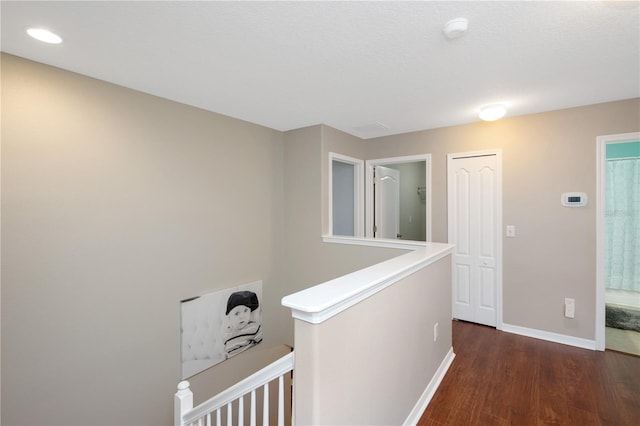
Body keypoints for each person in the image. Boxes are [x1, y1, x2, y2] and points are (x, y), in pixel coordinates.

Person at [223, 290, 262, 358]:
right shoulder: (227, 332)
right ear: (229, 317)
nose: (242, 316)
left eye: (245, 311)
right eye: (237, 313)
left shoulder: (253, 327)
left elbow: (263, 344)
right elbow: (226, 351)